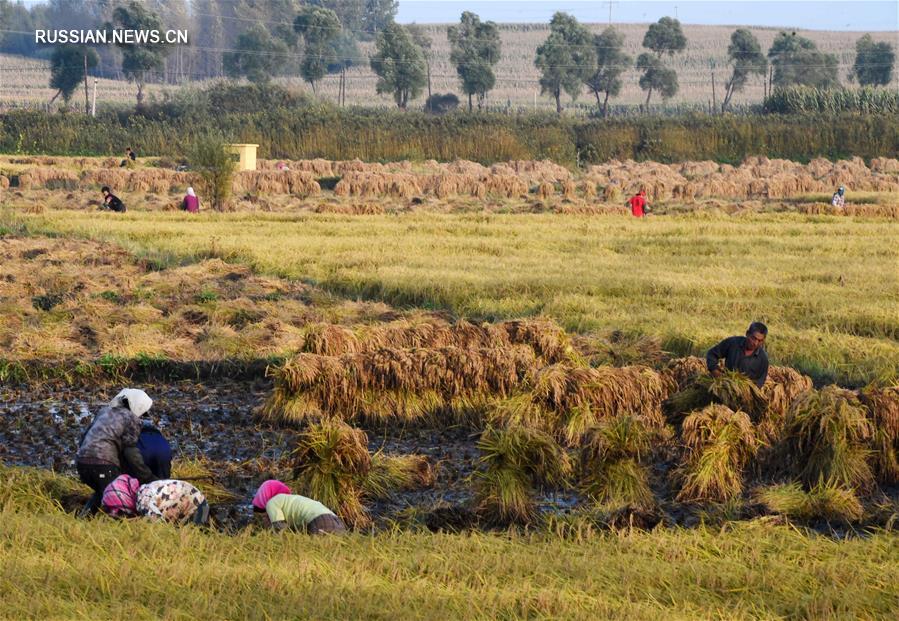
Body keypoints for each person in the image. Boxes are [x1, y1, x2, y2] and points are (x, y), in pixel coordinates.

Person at [76, 389, 157, 515]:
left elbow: (84, 438)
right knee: (116, 497)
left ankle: (83, 518)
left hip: (81, 464)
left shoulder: (104, 412)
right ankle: (109, 527)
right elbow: (130, 452)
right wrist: (147, 476)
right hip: (103, 466)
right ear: (138, 407)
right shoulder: (131, 419)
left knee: (102, 491)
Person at [102, 474, 209, 525]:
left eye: (121, 511)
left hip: (197, 511)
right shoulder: (144, 489)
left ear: (123, 500)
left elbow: (158, 525)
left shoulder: (143, 501)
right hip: (200, 504)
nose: (123, 515)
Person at [252, 480, 346, 534]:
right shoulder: (292, 501)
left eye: (264, 516)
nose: (264, 521)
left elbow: (280, 529)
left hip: (320, 523)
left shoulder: (271, 503)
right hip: (337, 522)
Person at [706, 322, 770, 388]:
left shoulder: (763, 360)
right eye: (753, 338)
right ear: (747, 334)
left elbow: (759, 383)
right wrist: (715, 370)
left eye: (760, 341)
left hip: (743, 394)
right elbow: (711, 354)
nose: (755, 343)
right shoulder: (733, 343)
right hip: (724, 386)